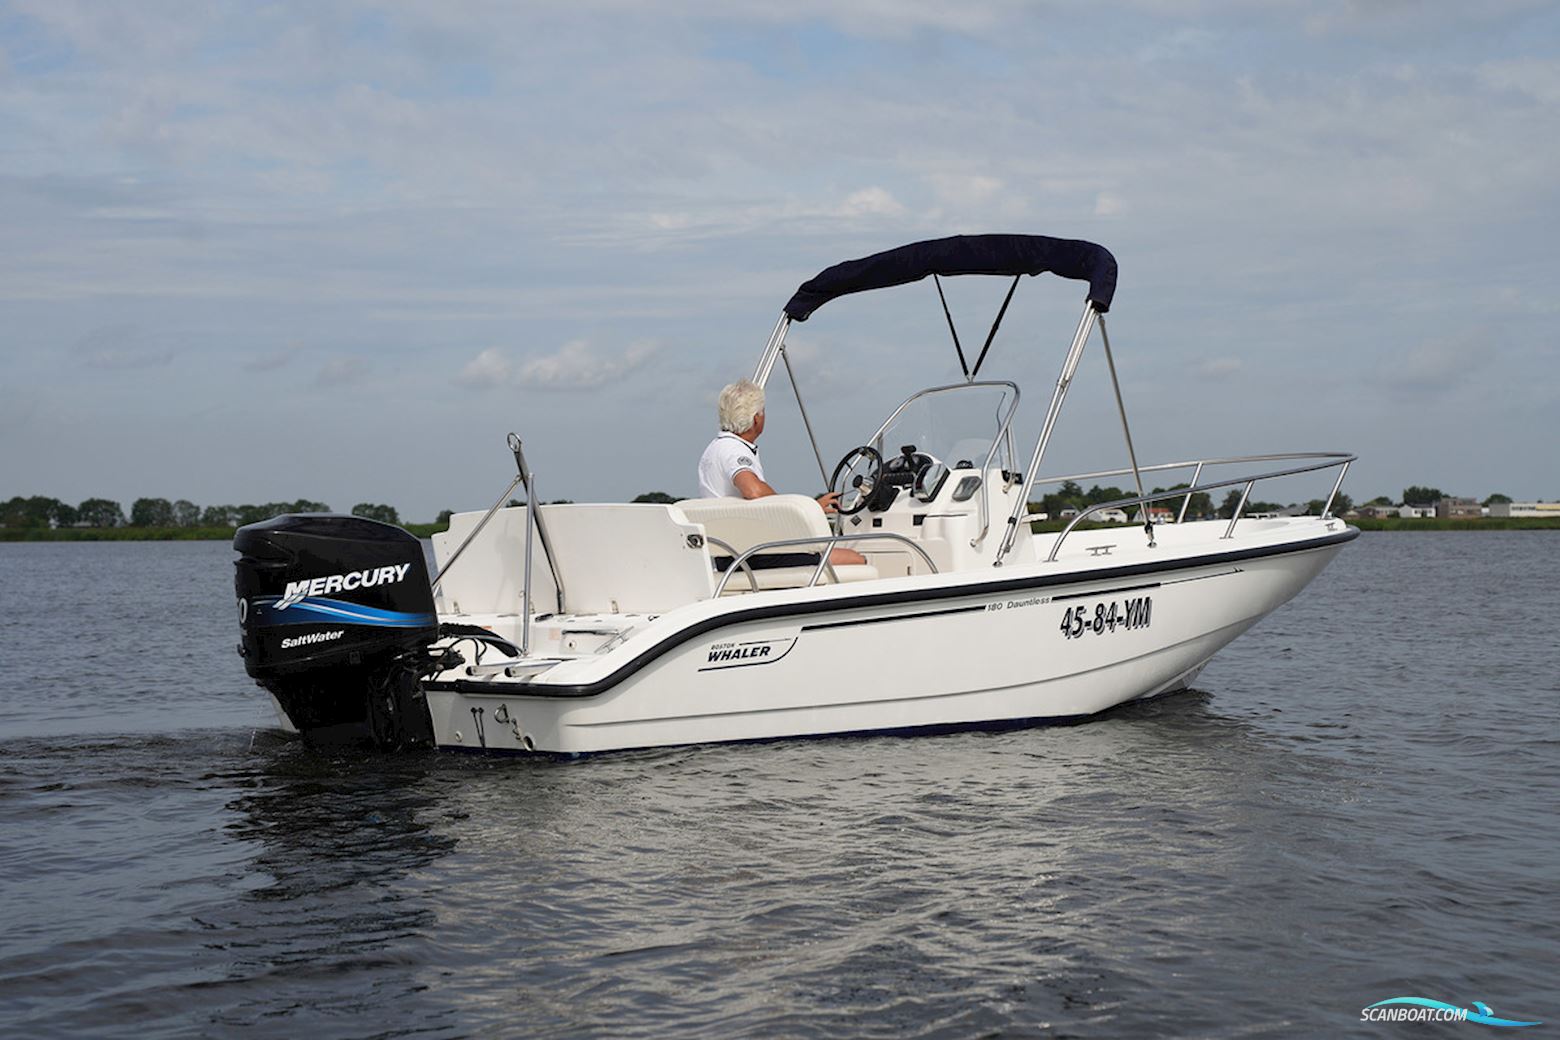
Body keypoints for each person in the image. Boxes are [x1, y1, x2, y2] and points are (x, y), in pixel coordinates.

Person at [697, 379, 867, 568]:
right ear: (756, 418)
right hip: (753, 555)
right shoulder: (733, 450)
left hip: (731, 555)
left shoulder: (714, 449)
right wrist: (796, 511)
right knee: (856, 559)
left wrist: (813, 507)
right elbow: (753, 490)